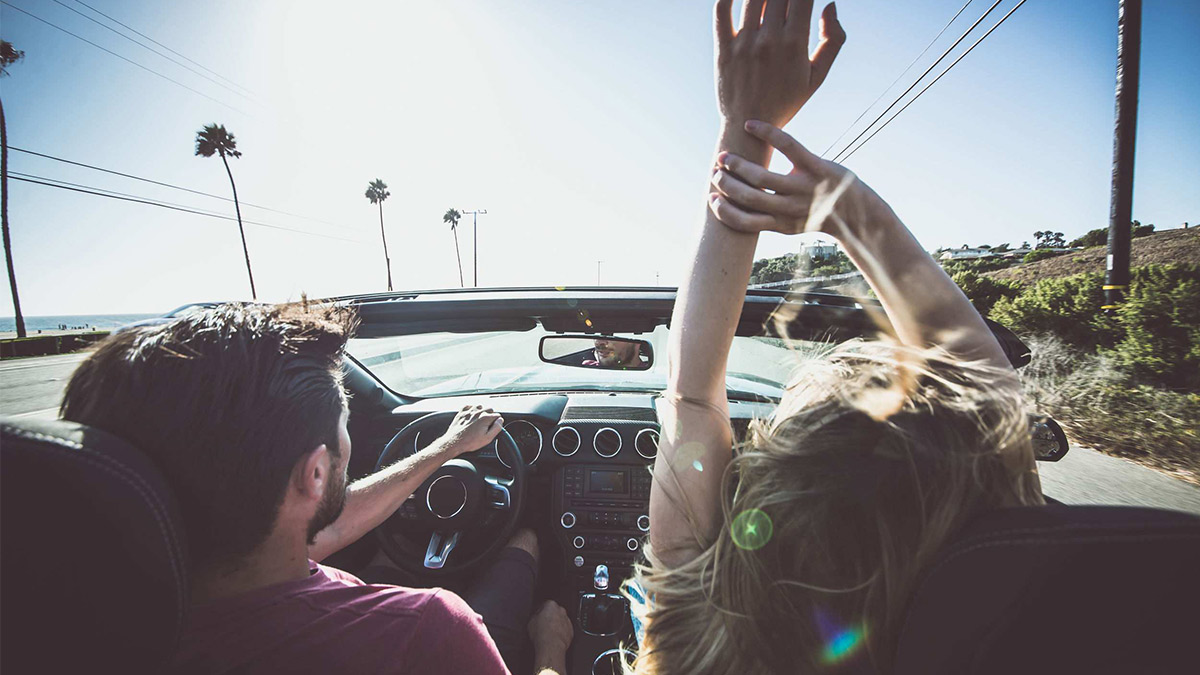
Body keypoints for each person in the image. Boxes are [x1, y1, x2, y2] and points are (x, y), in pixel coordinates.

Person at [631, 2, 1042, 674]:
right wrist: (855, 212)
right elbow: (994, 402)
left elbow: (692, 395)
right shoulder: (1011, 628)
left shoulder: (694, 650)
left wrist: (748, 129)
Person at [59, 303, 573, 675]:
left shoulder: (65, 623)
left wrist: (443, 449)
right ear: (315, 475)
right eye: (345, 426)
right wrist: (551, 651)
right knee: (523, 541)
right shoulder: (427, 632)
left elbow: (325, 528)